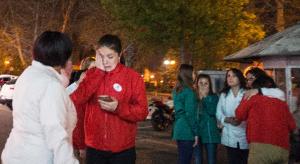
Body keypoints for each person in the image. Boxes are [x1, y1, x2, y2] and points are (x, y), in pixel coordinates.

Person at [1, 31, 79, 164]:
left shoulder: (27, 75)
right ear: (62, 57)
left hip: (15, 153)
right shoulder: (51, 86)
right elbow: (57, 134)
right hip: (38, 157)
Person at [70, 34, 148, 164]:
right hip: (94, 148)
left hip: (123, 150)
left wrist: (118, 107)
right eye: (101, 56)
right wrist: (98, 73)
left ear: (119, 54)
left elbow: (142, 112)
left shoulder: (133, 78)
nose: (105, 61)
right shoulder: (90, 75)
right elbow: (76, 101)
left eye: (110, 57)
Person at [235, 75, 296, 164]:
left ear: (255, 87)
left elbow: (239, 115)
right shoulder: (282, 104)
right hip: (283, 149)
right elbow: (292, 126)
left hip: (260, 147)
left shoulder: (252, 97)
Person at [216, 68, 248, 164]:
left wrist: (240, 119)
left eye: (234, 76)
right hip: (229, 134)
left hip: (244, 134)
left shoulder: (247, 93)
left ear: (240, 78)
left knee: (244, 160)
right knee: (233, 160)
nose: (230, 78)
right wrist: (226, 119)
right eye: (228, 76)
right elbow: (218, 112)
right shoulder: (224, 95)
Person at [172, 64, 198, 164]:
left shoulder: (177, 90)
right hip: (187, 130)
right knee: (185, 159)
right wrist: (195, 133)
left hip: (179, 128)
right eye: (193, 72)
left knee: (182, 158)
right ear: (188, 74)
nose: (194, 74)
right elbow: (190, 114)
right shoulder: (189, 91)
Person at [194, 74, 220, 164]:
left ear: (210, 85)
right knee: (198, 159)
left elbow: (212, 112)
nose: (203, 85)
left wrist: (205, 97)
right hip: (197, 133)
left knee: (211, 160)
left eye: (206, 83)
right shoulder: (194, 98)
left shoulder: (214, 97)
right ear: (197, 84)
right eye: (200, 83)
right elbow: (193, 116)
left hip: (210, 133)